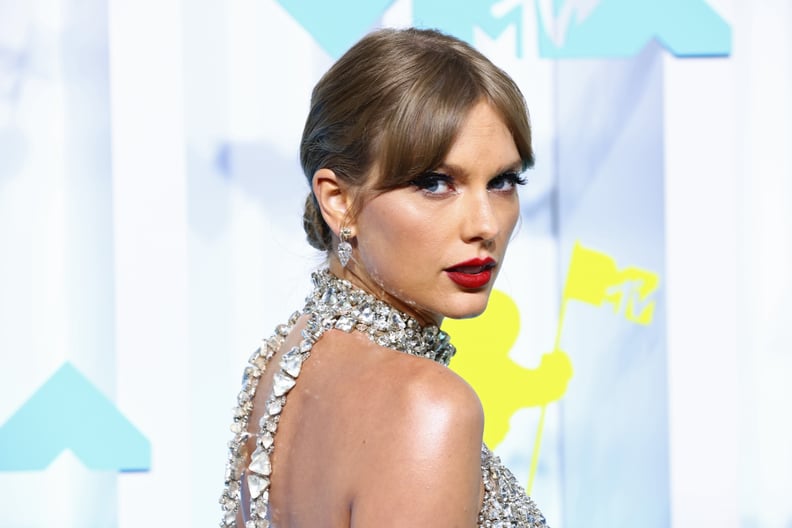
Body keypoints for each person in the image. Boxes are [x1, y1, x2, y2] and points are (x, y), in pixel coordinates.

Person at [220, 27, 548, 527]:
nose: (485, 225)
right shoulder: (427, 405)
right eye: (436, 183)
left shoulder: (281, 360)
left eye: (503, 181)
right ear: (338, 200)